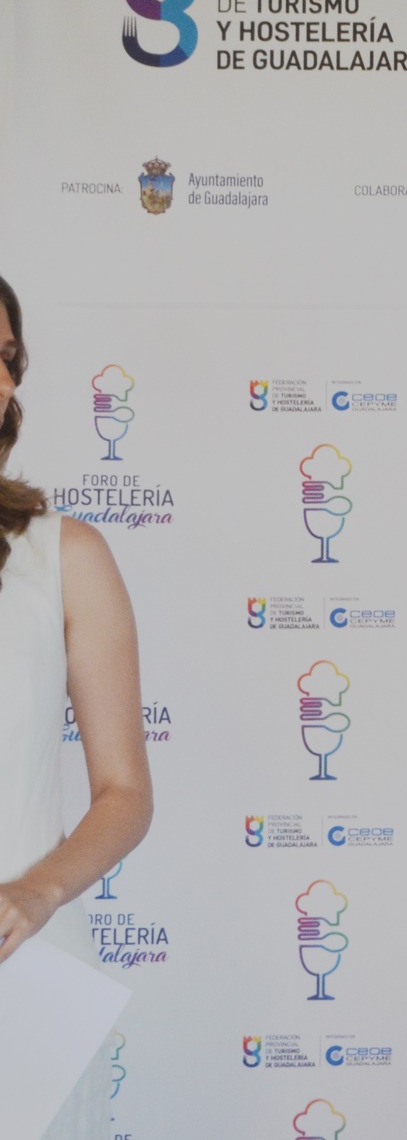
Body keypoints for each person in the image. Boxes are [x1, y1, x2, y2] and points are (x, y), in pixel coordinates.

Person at [0, 273, 153, 1139]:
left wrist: (37, 890)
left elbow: (125, 793)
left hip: (23, 984)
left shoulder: (66, 556)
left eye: (9, 357)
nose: (4, 378)